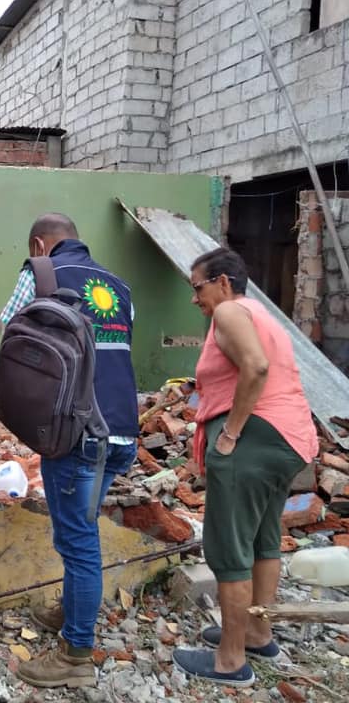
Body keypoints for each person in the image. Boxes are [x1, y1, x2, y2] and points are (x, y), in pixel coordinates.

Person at [0, 213, 139, 689]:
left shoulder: (41, 273)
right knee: (82, 528)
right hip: (122, 432)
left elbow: (13, 335)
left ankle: (76, 654)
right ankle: (71, 609)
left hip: (76, 432)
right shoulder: (119, 286)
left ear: (40, 244)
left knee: (79, 543)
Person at [173, 248, 317, 687]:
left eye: (197, 287)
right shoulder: (261, 314)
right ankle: (257, 632)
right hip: (289, 438)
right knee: (263, 539)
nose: (194, 298)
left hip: (255, 438)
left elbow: (256, 366)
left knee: (229, 548)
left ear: (223, 282)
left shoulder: (230, 311)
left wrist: (231, 433)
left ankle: (230, 660)